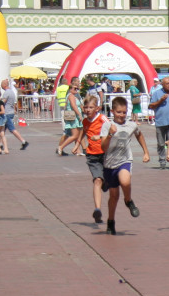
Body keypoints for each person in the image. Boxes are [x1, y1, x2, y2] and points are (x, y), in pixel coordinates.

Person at [98, 97, 148, 234]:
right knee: (113, 196)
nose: (121, 115)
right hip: (109, 164)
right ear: (113, 111)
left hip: (125, 160)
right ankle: (111, 221)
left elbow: (139, 135)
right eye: (119, 112)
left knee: (125, 181)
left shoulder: (131, 125)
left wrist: (146, 152)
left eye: (124, 112)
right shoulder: (107, 126)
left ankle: (129, 200)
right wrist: (109, 135)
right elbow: (103, 147)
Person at [80, 95, 110, 224]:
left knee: (106, 181)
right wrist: (80, 145)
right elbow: (83, 132)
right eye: (86, 107)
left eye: (91, 107)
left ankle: (106, 182)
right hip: (92, 155)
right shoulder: (85, 121)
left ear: (97, 108)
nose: (88, 110)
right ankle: (97, 209)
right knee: (97, 180)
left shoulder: (102, 119)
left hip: (106, 154)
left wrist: (100, 137)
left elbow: (112, 130)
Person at [149, 76, 169, 169]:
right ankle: (162, 161)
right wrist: (161, 100)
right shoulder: (156, 93)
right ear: (162, 85)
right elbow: (151, 106)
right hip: (160, 122)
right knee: (161, 143)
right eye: (167, 83)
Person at [0, 79, 29, 151]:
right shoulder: (12, 92)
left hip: (7, 113)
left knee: (12, 129)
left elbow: (3, 102)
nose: (1, 86)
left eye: (1, 84)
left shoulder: (6, 93)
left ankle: (23, 141)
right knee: (2, 129)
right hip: (10, 111)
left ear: (4, 85)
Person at [57, 79, 83, 156]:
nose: (76, 90)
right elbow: (73, 106)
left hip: (75, 116)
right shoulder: (71, 96)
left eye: (77, 88)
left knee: (77, 134)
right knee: (74, 135)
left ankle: (77, 151)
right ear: (70, 89)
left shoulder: (73, 96)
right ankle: (61, 147)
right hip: (74, 116)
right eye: (75, 88)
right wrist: (79, 114)